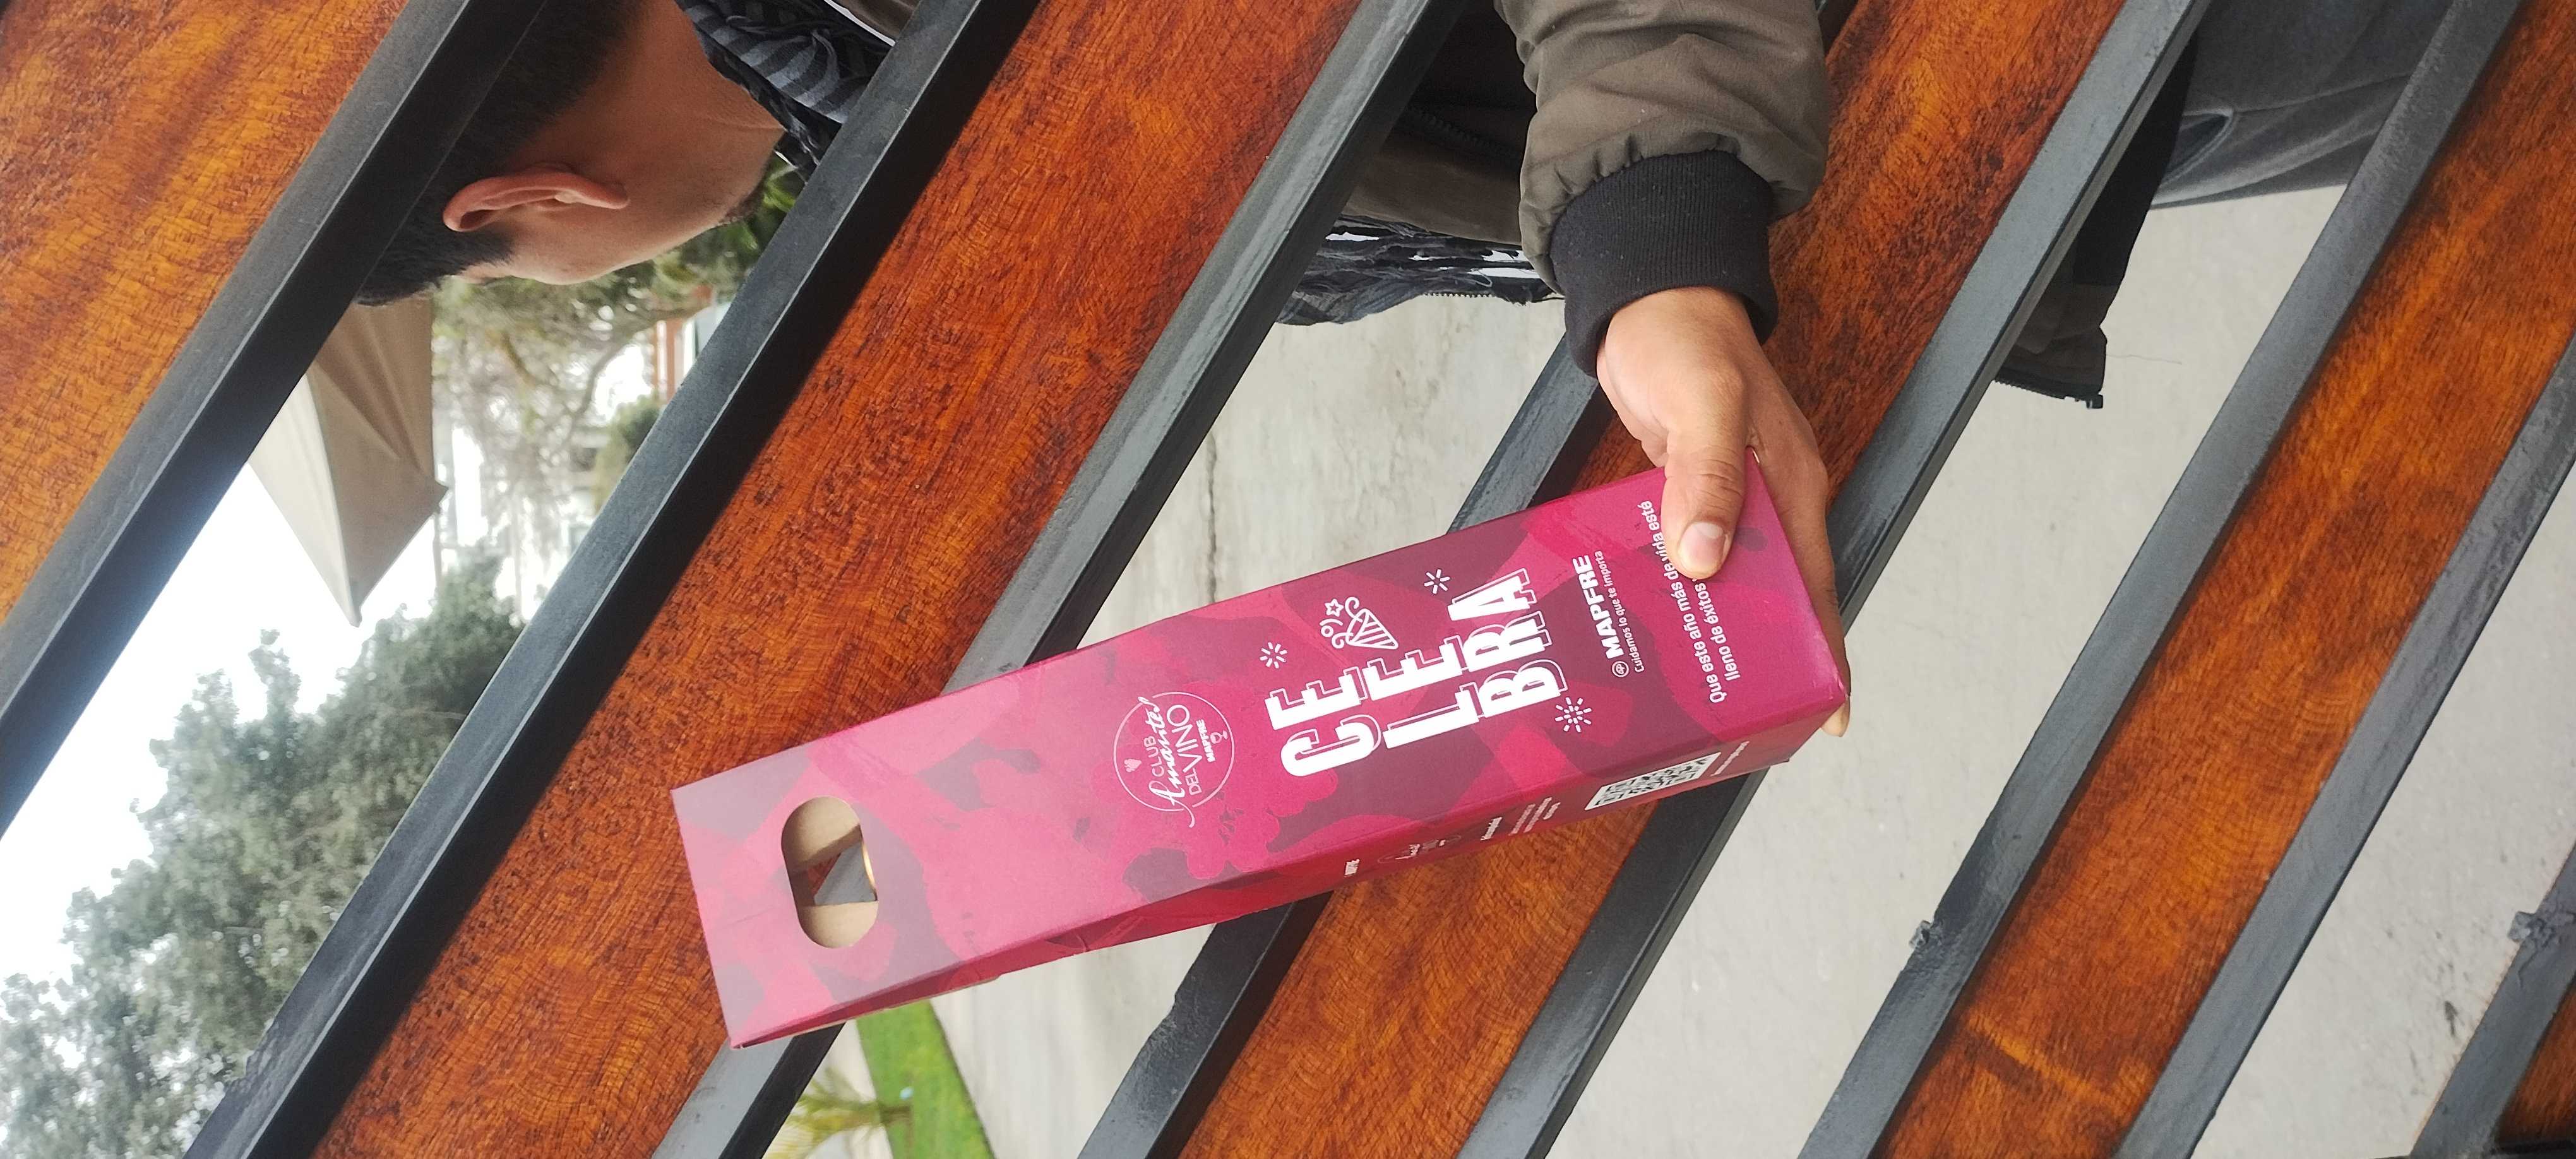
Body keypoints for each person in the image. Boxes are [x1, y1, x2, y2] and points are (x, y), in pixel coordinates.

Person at [359, 0, 2450, 744]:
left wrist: (1647, 232)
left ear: (515, 202)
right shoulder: (862, 97)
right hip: (1906, 112)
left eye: (509, 276)